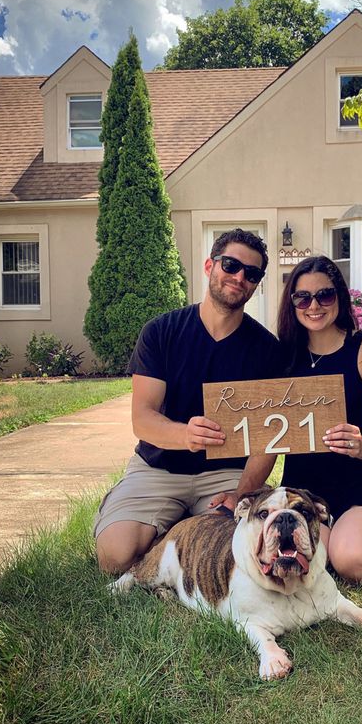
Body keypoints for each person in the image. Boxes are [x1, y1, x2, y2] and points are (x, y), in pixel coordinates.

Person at [94, 228, 284, 574]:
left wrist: (243, 494)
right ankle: (164, 523)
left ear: (256, 283)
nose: (239, 277)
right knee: (115, 557)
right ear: (210, 265)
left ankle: (178, 529)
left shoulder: (267, 350)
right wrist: (186, 436)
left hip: (226, 475)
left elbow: (268, 441)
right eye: (231, 265)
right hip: (158, 468)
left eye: (251, 273)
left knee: (237, 559)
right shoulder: (161, 332)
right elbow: (143, 418)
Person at [243, 255, 362, 583]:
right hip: (308, 490)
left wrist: (360, 443)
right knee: (293, 563)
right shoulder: (283, 361)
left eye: (325, 295)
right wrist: (241, 496)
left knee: (353, 563)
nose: (314, 305)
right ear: (292, 302)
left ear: (339, 296)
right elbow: (267, 443)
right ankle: (342, 534)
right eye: (302, 297)